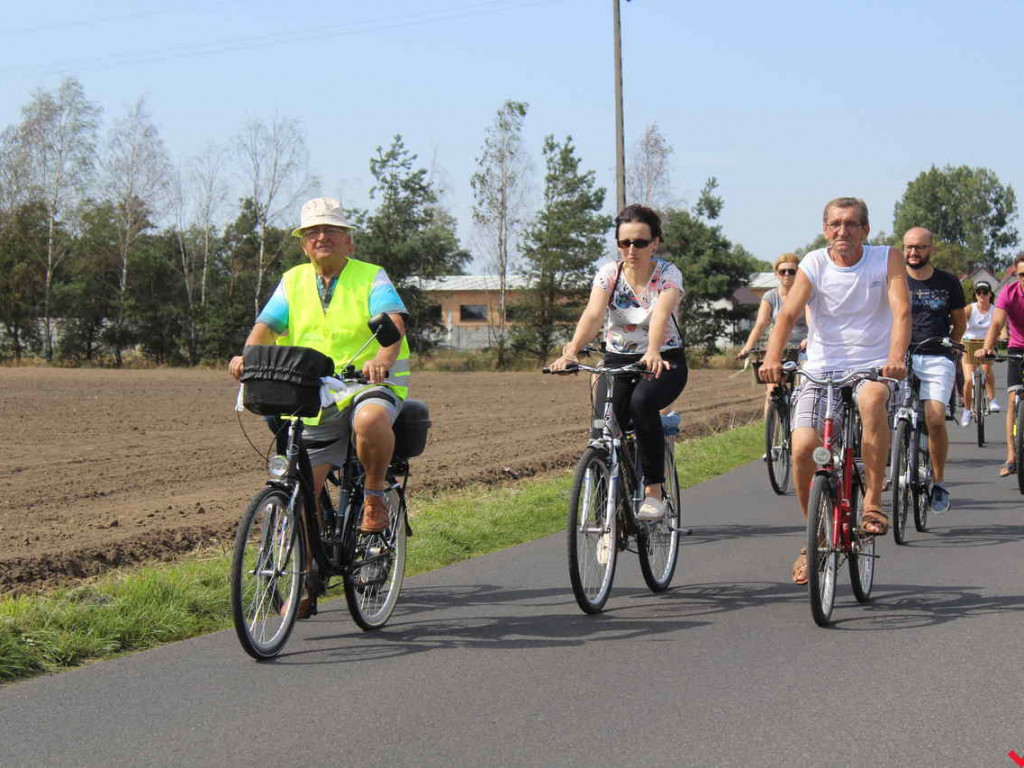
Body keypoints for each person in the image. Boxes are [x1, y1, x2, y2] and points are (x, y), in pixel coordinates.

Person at [229, 197, 410, 614]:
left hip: (366, 385)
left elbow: (393, 321)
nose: (321, 237)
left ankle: (374, 495)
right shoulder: (292, 281)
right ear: (303, 244)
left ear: (348, 240)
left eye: (330, 230)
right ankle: (306, 578)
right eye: (312, 233)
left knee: (369, 419)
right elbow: (265, 328)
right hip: (315, 394)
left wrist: (382, 360)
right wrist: (247, 358)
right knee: (301, 492)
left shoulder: (371, 276)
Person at [760, 197, 910, 584]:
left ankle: (873, 504)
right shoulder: (814, 263)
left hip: (872, 366)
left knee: (874, 398)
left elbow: (901, 310)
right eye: (835, 224)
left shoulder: (886, 258)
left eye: (851, 224)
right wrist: (772, 358)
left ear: (865, 229)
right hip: (821, 369)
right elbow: (788, 314)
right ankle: (815, 538)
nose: (843, 231)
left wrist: (895, 357)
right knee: (803, 447)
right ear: (826, 229)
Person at [549, 204, 687, 521]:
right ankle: (603, 521)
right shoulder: (609, 274)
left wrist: (652, 350)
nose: (631, 250)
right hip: (617, 360)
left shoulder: (667, 274)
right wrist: (571, 351)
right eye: (624, 243)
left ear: (655, 242)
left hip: (662, 361)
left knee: (641, 405)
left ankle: (653, 492)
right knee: (602, 433)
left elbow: (661, 315)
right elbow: (594, 314)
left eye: (640, 242)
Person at [902, 227, 966, 514]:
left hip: (937, 355)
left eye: (919, 247)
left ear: (931, 249)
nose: (913, 252)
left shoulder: (948, 282)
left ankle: (938, 481)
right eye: (908, 247)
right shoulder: (894, 280)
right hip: (900, 356)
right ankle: (889, 470)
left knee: (935, 419)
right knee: (882, 414)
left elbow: (959, 321)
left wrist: (953, 346)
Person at [736, 252, 809, 415]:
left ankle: (797, 424)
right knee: (772, 390)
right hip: (778, 347)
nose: (787, 275)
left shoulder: (805, 294)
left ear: (798, 273)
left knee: (801, 389)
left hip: (802, 347)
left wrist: (809, 339)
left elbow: (813, 321)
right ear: (777, 274)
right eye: (783, 271)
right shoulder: (770, 296)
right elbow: (761, 323)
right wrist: (747, 348)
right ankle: (770, 430)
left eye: (792, 271)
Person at [975, 254, 1024, 477]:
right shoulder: (1009, 294)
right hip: (1018, 349)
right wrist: (987, 348)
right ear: (1016, 273)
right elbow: (996, 323)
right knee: (1013, 401)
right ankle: (1012, 456)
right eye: (1022, 274)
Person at [961, 280, 1000, 425]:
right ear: (976, 295)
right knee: (969, 380)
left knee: (987, 370)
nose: (982, 295)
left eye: (985, 292)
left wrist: (1003, 337)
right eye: (979, 292)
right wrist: (959, 338)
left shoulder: (995, 310)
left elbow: (1000, 328)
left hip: (986, 345)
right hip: (969, 345)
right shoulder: (969, 309)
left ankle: (992, 399)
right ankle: (966, 410)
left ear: (990, 294)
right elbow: (960, 324)